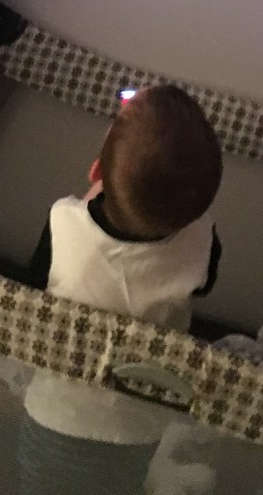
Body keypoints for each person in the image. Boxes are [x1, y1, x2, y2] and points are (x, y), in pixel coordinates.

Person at [19, 84, 223, 495]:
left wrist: (88, 208)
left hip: (56, 414)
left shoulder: (64, 223)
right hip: (138, 425)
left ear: (96, 172)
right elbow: (204, 286)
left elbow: (32, 292)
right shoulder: (202, 243)